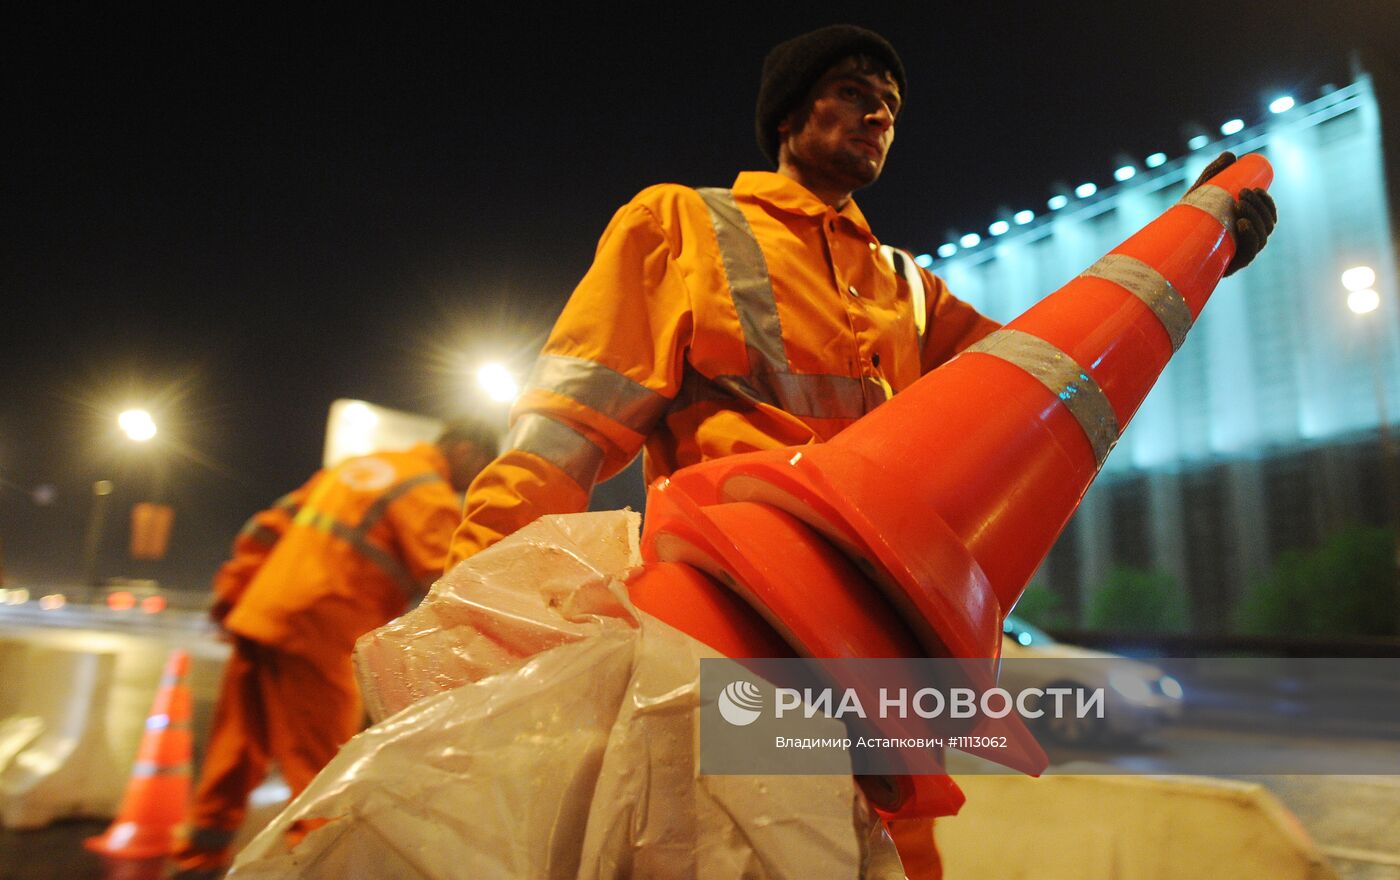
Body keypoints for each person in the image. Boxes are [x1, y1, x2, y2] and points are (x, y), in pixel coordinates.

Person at [446, 23, 1275, 567]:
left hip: (880, 616)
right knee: (766, 832)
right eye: (853, 91)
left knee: (892, 844)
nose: (878, 112)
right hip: (737, 609)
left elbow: (1054, 362)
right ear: (789, 115)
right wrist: (475, 601)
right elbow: (562, 434)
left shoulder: (908, 287)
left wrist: (1190, 249)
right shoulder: (681, 224)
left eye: (889, 105)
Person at [170, 420, 497, 879]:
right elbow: (451, 578)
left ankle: (196, 862)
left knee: (236, 750)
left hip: (262, 612)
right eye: (481, 465)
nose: (475, 478)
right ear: (464, 451)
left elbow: (265, 527)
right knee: (324, 774)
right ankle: (315, 869)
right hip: (323, 629)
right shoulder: (428, 493)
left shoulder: (356, 468)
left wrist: (231, 596)